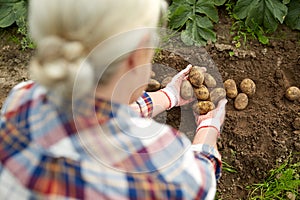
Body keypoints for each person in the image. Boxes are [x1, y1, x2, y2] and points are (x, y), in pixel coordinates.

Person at [0, 0, 227, 199]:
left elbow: (94, 116)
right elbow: (200, 180)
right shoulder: (159, 165)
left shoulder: (22, 98)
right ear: (137, 55)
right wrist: (209, 128)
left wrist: (167, 97)